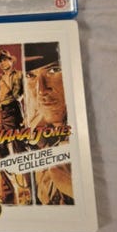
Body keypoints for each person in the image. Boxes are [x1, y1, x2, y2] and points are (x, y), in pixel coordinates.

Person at [24, 42, 74, 205]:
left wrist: (72, 186)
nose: (41, 89)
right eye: (30, 76)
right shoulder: (36, 134)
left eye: (53, 70)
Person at [0, 49, 30, 205]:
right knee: (1, 153)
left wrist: (26, 116)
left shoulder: (19, 75)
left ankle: (30, 188)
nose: (2, 63)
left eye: (5, 59)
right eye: (0, 61)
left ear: (11, 61)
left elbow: (26, 95)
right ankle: (9, 192)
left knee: (20, 149)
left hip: (14, 112)